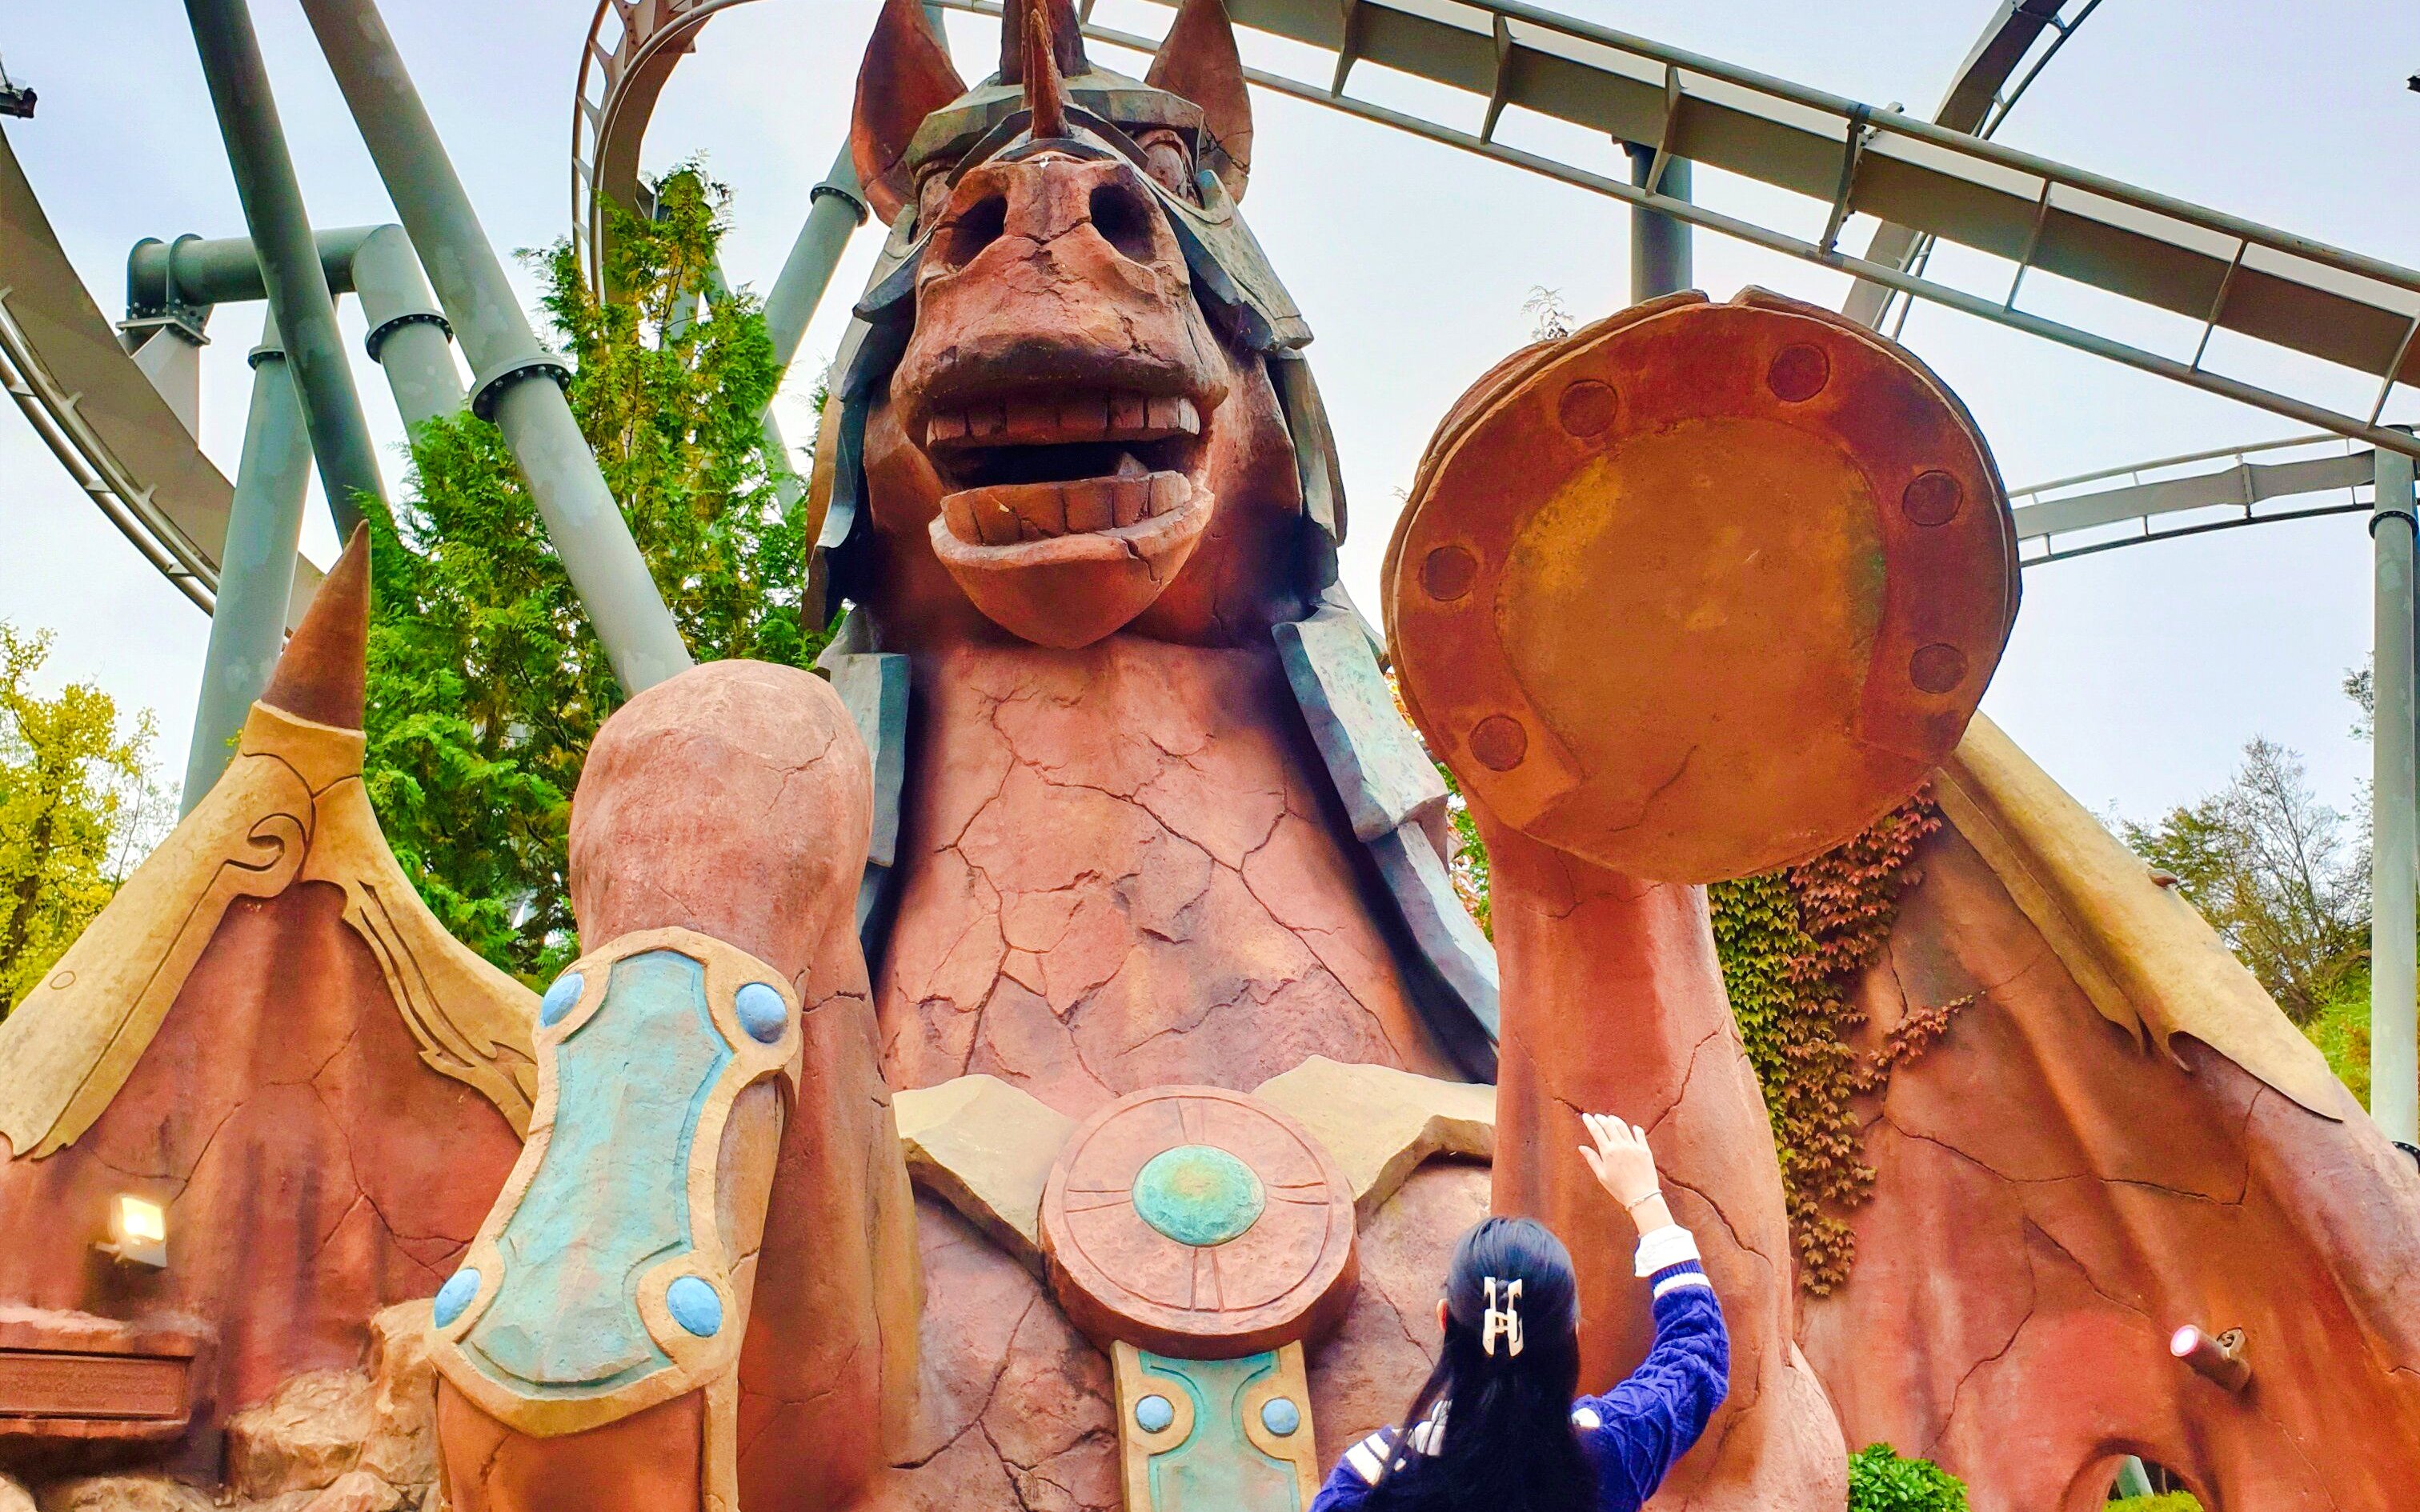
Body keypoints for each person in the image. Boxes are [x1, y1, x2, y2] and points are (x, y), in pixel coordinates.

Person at [1309, 1114, 1729, 1512]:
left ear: (1444, 1320)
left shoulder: (1369, 1483)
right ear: (1574, 1334)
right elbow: (1697, 1354)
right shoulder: (1616, 1447)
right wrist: (1646, 1201)